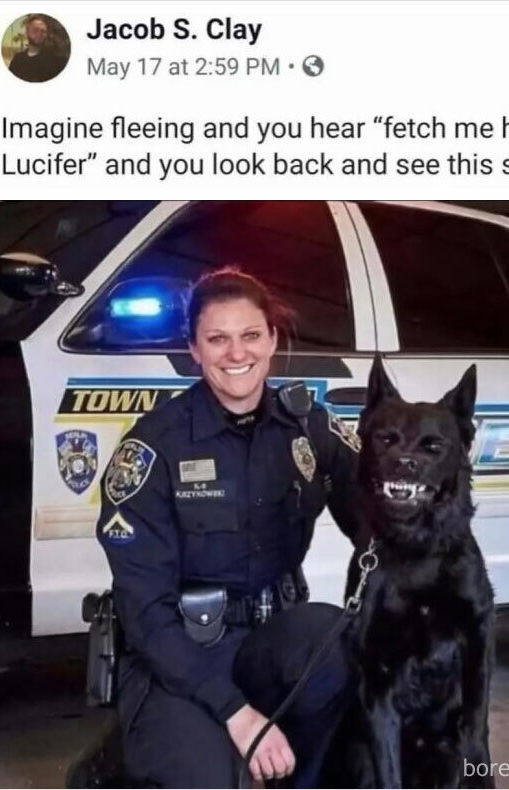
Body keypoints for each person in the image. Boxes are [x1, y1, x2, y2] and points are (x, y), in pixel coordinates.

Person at [96, 268, 361, 788]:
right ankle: (120, 760)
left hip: (270, 639)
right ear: (193, 349)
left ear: (271, 340)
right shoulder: (155, 447)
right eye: (217, 339)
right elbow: (146, 615)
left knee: (335, 643)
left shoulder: (307, 426)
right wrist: (239, 715)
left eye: (250, 336)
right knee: (213, 780)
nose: (236, 354)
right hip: (179, 655)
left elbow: (379, 518)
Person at [8, 16, 66, 82]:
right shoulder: (17, 59)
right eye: (35, 30)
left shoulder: (55, 61)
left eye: (43, 31)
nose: (39, 34)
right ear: (27, 32)